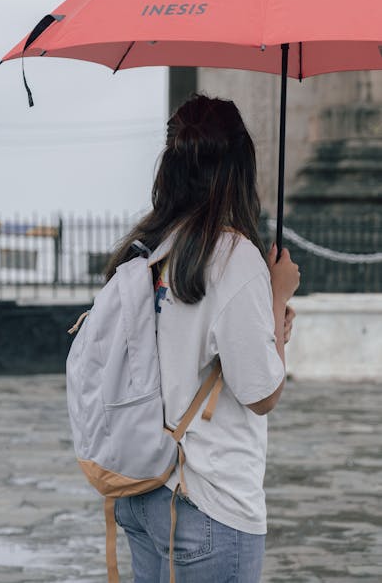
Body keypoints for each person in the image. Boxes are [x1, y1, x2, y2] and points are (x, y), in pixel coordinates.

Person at [106, 94, 300, 583]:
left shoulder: (150, 248)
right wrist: (277, 298)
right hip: (209, 503)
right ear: (239, 168)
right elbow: (261, 393)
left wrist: (268, 317)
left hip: (145, 489)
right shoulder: (233, 258)